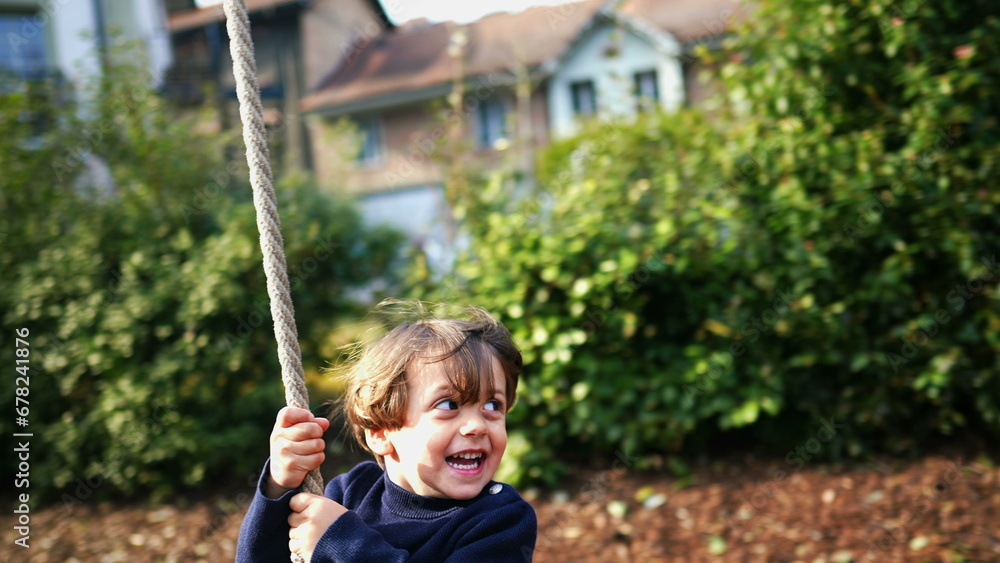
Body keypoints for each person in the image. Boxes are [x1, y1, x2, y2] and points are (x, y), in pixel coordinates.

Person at [236, 304, 537, 562]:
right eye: (449, 404)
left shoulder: (502, 520)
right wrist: (279, 485)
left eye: (492, 405)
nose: (477, 425)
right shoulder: (351, 492)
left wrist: (345, 544)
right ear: (380, 433)